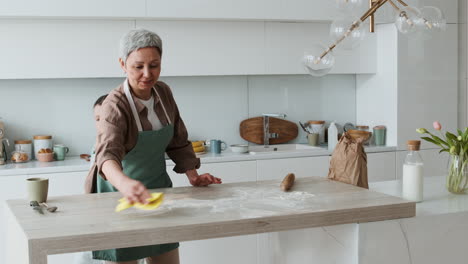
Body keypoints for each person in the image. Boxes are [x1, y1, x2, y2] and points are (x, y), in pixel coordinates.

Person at [85, 28, 222, 264]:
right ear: (122, 64)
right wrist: (125, 184)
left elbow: (177, 139)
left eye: (154, 65)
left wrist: (193, 175)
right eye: (138, 66)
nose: (147, 74)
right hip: (120, 196)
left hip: (159, 192)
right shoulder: (114, 105)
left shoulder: (163, 92)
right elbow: (106, 157)